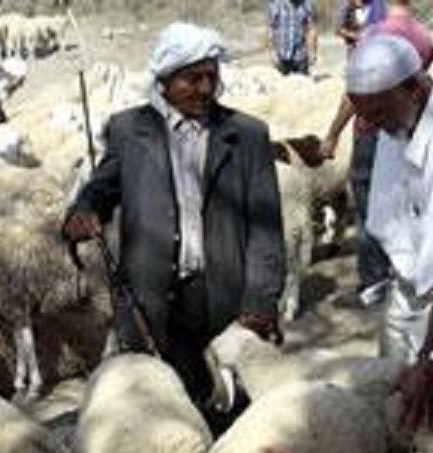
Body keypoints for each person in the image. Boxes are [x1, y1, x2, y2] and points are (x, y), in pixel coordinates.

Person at [63, 22, 286, 411]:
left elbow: (266, 230)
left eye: (211, 77)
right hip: (150, 297)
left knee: (229, 407)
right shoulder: (130, 130)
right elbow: (103, 185)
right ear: (164, 79)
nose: (204, 88)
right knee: (160, 409)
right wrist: (83, 209)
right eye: (191, 78)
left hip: (223, 297)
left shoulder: (247, 136)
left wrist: (260, 302)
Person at [343, 33, 433, 375]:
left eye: (376, 112)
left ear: (415, 90)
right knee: (388, 383)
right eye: (361, 113)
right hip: (406, 281)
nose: (366, 125)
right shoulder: (400, 113)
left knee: (426, 399)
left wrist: (430, 357)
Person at [321, 0, 433, 309]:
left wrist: (333, 133)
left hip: (374, 130)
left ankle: (374, 282)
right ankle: (405, 275)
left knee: (370, 206)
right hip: (410, 130)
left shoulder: (375, 35)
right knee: (404, 201)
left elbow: (354, 92)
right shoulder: (424, 37)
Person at [267, 0, 318, 75]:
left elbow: (310, 29)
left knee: (301, 84)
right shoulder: (276, 4)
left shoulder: (307, 4)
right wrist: (272, 51)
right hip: (282, 55)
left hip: (300, 56)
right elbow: (271, 29)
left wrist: (312, 51)